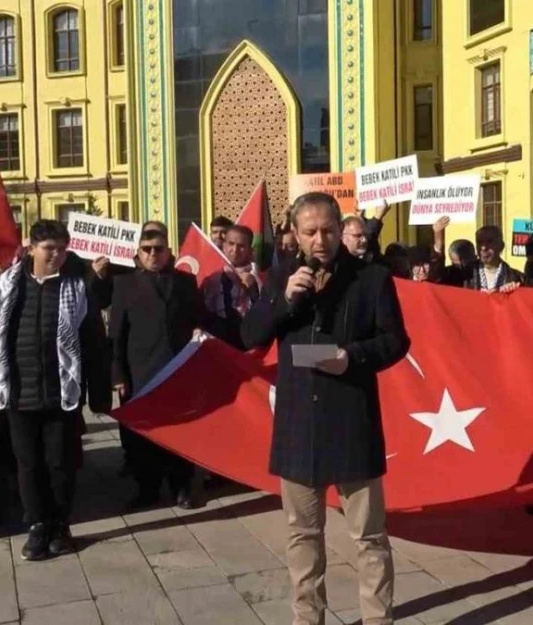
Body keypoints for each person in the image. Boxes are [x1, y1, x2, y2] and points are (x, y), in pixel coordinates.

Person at [241, 192, 410, 625]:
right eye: (310, 231)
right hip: (300, 425)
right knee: (302, 535)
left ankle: (377, 618)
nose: (321, 239)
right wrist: (284, 301)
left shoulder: (372, 278)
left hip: (353, 419)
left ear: (341, 228)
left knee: (370, 536)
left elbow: (395, 341)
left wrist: (351, 357)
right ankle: (307, 617)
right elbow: (250, 335)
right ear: (295, 235)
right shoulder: (281, 276)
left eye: (329, 230)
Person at [0, 220, 111, 561]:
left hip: (62, 394)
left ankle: (61, 525)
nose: (56, 255)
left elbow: (94, 343)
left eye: (62, 249)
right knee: (28, 464)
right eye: (49, 249)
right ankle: (36, 525)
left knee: (60, 464)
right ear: (31, 248)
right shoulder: (4, 287)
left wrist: (99, 394)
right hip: (19, 393)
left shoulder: (77, 289)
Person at [110, 228, 207, 510]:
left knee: (180, 432)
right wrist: (117, 374)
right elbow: (116, 333)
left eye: (159, 248)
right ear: (138, 254)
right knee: (142, 438)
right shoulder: (124, 285)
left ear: (169, 252)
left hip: (178, 370)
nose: (153, 254)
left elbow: (199, 318)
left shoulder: (186, 282)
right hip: (140, 373)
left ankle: (182, 487)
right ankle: (147, 490)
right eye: (147, 249)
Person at [202, 224, 262, 348]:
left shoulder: (261, 277)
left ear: (250, 250)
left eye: (241, 246)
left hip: (248, 339)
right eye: (231, 244)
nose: (235, 250)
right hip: (219, 339)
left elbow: (266, 311)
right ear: (224, 246)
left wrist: (253, 288)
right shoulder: (213, 277)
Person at [456, 226, 523, 292]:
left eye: (490, 241)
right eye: (480, 242)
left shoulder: (519, 279)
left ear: (501, 246)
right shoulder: (463, 275)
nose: (484, 248)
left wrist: (513, 293)